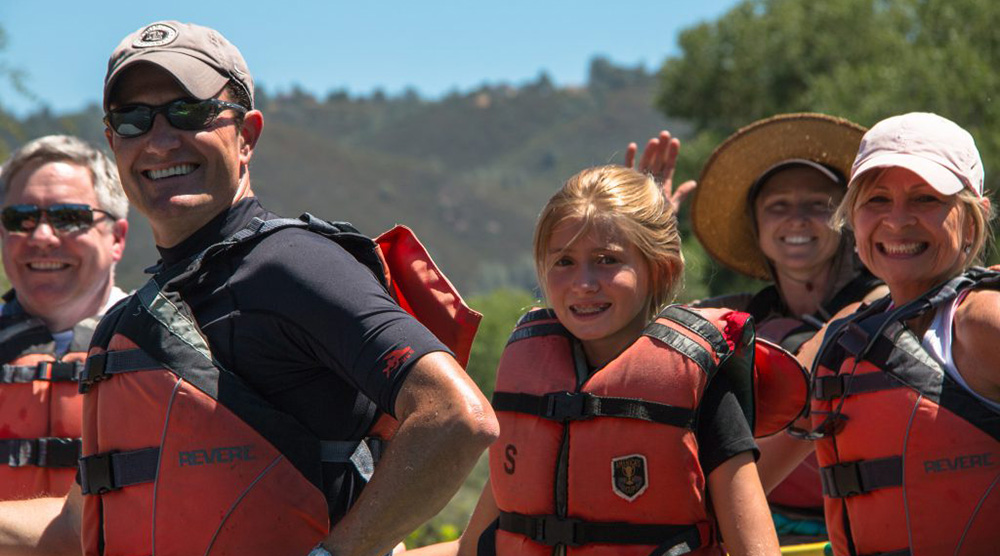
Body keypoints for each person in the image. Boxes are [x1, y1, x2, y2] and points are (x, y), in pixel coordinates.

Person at [0, 20, 498, 556]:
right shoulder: (126, 326)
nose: (160, 140)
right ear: (113, 143)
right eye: (134, 119)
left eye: (189, 111)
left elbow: (456, 417)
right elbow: (78, 527)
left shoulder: (292, 266)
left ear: (247, 135)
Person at [408, 165, 803, 555]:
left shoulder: (700, 381)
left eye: (607, 260)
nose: (583, 283)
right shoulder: (530, 376)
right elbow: (469, 548)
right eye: (563, 262)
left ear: (660, 270)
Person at [628, 117, 889, 539]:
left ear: (847, 218)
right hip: (761, 527)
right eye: (778, 207)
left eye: (818, 205)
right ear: (757, 227)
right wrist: (644, 236)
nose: (797, 220)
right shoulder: (743, 315)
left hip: (855, 530)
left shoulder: (883, 301)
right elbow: (638, 335)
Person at [762, 112, 999, 555]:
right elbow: (748, 479)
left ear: (973, 218)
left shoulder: (982, 320)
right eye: (877, 200)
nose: (897, 220)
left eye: (926, 199)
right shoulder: (845, 339)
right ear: (852, 217)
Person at [0, 135, 129, 500]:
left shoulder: (165, 347)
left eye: (69, 218)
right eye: (19, 218)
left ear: (117, 238)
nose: (41, 236)